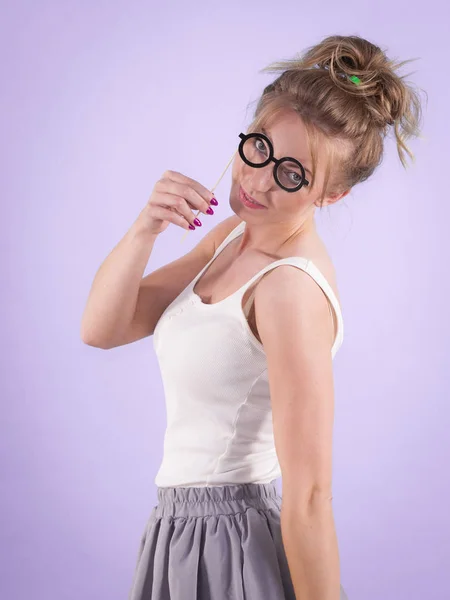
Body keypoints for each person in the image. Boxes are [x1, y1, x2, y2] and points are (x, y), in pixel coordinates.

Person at [81, 34, 422, 600]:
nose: (258, 180)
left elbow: (310, 494)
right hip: (179, 529)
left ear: (329, 196)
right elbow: (103, 328)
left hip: (232, 544)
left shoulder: (288, 289)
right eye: (259, 147)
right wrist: (146, 226)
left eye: (293, 174)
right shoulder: (234, 235)